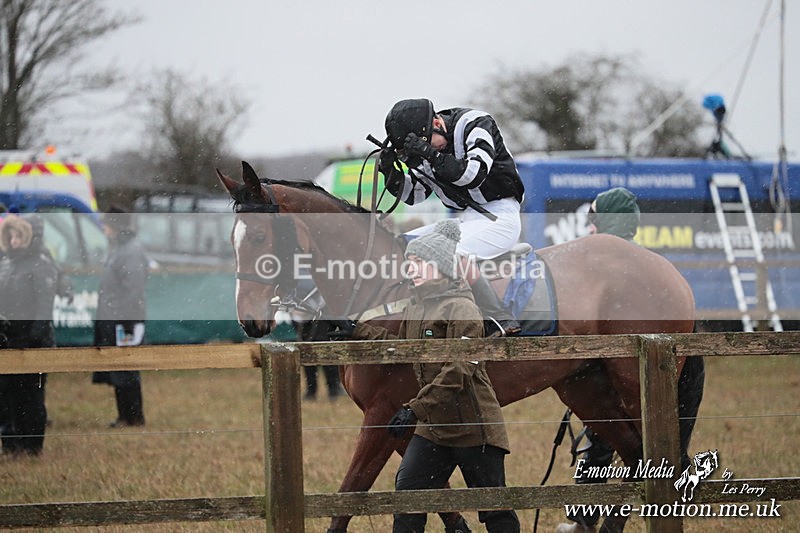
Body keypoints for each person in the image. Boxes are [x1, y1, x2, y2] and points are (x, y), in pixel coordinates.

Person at [351, 219, 520, 533]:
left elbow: (457, 371)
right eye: (409, 263)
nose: (411, 269)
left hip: (475, 429)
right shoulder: (417, 309)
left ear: (440, 267)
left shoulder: (464, 310)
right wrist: (356, 330)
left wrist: (414, 409)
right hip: (434, 430)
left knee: (495, 513)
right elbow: (402, 349)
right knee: (408, 499)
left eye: (418, 263)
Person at [557, 187, 705, 533]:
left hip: (623, 373)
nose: (589, 226)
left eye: (595, 218)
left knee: (615, 444)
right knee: (610, 442)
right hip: (610, 369)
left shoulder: (623, 272)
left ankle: (596, 520)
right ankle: (592, 519)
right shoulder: (637, 266)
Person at [379, 98, 524, 336]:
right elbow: (416, 194)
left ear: (437, 122)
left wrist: (430, 154)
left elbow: (472, 175)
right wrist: (390, 173)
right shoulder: (429, 145)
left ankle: (499, 318)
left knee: (446, 252)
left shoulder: (476, 123)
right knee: (402, 244)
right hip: (466, 219)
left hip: (500, 216)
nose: (430, 153)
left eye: (430, 147)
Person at [0, 214, 59, 456]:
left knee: (31, 395)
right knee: (7, 395)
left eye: (18, 236)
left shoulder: (41, 264)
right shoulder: (5, 263)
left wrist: (33, 338)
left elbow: (44, 306)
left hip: (33, 342)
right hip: (8, 340)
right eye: (10, 236)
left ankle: (32, 446)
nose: (14, 241)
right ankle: (11, 443)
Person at [91, 206, 148, 427]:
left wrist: (126, 321)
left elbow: (133, 291)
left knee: (127, 370)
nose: (104, 228)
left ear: (115, 226)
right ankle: (124, 415)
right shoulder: (120, 249)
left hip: (125, 322)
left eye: (106, 224)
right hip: (115, 320)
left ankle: (133, 416)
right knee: (119, 369)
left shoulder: (130, 252)